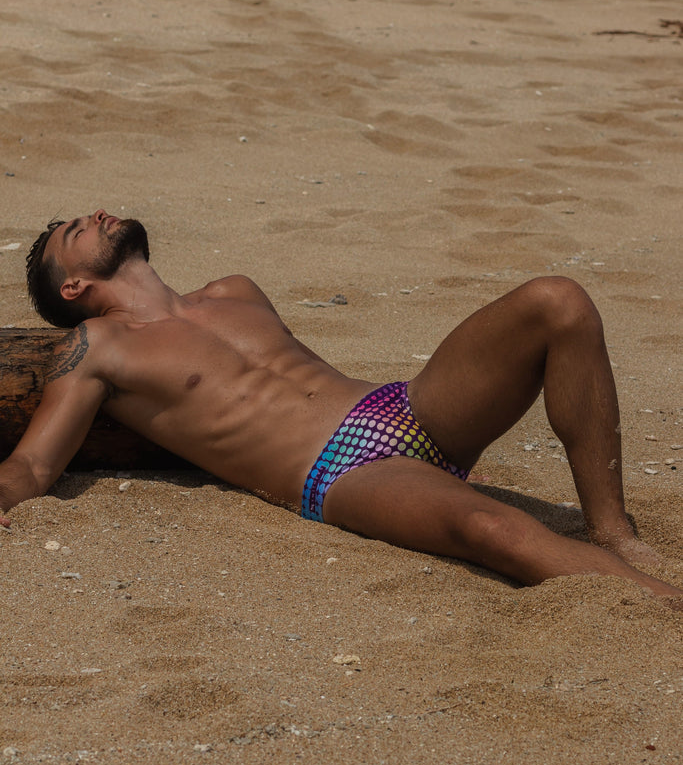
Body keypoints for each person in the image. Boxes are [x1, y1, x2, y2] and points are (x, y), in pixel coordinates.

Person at [1, 208, 680, 605]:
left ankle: (613, 533)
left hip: (403, 406)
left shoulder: (234, 288)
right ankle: (663, 606)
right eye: (72, 232)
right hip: (344, 469)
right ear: (75, 285)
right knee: (489, 529)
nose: (92, 215)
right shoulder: (99, 348)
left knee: (556, 300)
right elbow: (32, 468)